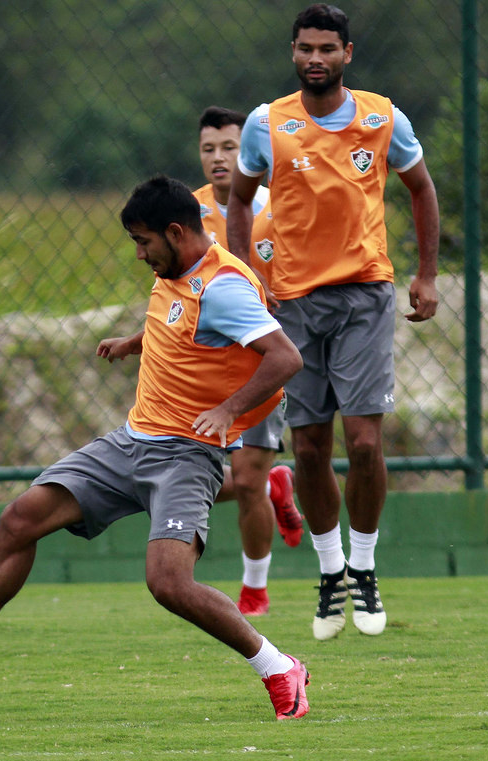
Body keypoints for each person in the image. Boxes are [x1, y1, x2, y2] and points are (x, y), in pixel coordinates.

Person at [0, 175, 311, 720]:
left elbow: (284, 358)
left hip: (186, 454)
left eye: (143, 241)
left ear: (176, 233)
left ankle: (278, 666)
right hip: (132, 441)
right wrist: (136, 342)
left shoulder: (224, 286)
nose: (138, 254)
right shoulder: (176, 270)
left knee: (169, 584)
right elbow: (183, 325)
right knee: (21, 518)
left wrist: (228, 410)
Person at [226, 4, 439, 641]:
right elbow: (238, 201)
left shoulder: (383, 116)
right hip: (291, 303)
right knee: (312, 448)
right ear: (292, 53)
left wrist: (426, 275)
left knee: (366, 444)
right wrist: (245, 282)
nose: (314, 58)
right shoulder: (267, 123)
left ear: (348, 53)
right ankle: (330, 573)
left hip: (366, 295)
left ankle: (366, 568)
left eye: (326, 48)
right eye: (303, 48)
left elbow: (421, 187)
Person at [194, 105, 305, 616]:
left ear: (249, 152)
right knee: (217, 480)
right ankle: (274, 485)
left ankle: (254, 589)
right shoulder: (186, 214)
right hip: (202, 368)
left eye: (230, 148)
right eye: (209, 149)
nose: (219, 159)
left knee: (246, 475)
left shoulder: (274, 207)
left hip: (261, 364)